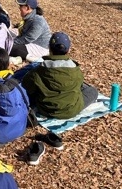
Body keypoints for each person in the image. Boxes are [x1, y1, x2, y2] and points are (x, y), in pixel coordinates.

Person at [20, 32, 98, 164]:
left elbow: (27, 85)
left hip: (45, 109)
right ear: (68, 49)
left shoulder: (40, 70)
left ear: (49, 48)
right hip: (72, 109)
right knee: (92, 91)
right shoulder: (76, 70)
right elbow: (79, 85)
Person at [9, 0, 51, 64]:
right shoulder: (29, 17)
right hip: (31, 44)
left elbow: (28, 39)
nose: (19, 8)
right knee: (10, 43)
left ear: (27, 8)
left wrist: (11, 42)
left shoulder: (38, 20)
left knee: (12, 48)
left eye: (21, 6)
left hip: (40, 48)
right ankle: (21, 57)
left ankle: (34, 59)